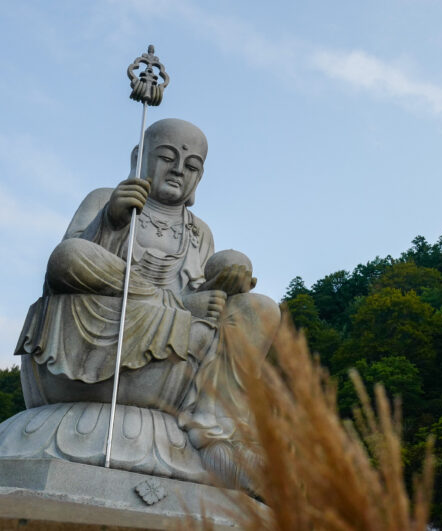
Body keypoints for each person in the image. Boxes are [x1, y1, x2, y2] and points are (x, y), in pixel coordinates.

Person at [7, 118, 280, 486]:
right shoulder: (106, 198)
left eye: (192, 166)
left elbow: (204, 293)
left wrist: (227, 280)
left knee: (261, 308)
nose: (179, 170)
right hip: (111, 316)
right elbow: (62, 271)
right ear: (140, 156)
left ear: (199, 177)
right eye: (167, 157)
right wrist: (111, 219)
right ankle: (167, 307)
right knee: (71, 254)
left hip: (175, 332)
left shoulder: (199, 232)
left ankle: (217, 427)